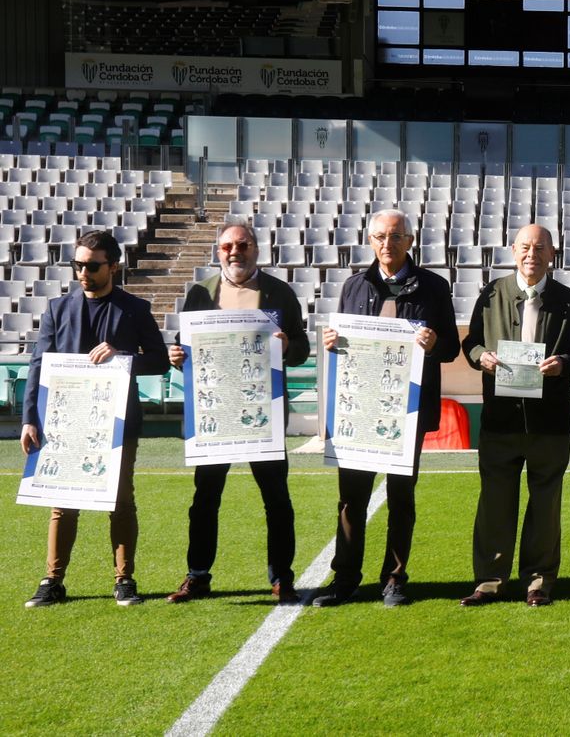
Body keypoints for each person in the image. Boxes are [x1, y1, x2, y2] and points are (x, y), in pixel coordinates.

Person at [312, 209, 460, 608]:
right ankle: (345, 579)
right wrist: (331, 342)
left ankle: (394, 579)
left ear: (410, 241)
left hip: (406, 413)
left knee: (401, 497)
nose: (387, 244)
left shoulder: (433, 286)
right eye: (379, 236)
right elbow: (344, 347)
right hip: (358, 410)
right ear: (370, 240)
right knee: (351, 498)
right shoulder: (354, 286)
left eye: (395, 236)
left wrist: (434, 343)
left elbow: (451, 348)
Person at [165, 221, 309, 605]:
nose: (235, 252)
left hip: (264, 412)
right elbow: (186, 348)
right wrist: (176, 356)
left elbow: (302, 346)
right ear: (218, 252)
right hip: (216, 413)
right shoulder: (200, 293)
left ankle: (282, 577)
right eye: (228, 245)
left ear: (256, 250)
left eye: (242, 245)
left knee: (277, 498)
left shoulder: (279, 292)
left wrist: (286, 346)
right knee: (205, 498)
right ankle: (197, 575)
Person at [22, 230, 167, 608]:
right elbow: (38, 365)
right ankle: (53, 581)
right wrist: (29, 419)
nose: (83, 272)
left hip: (118, 423)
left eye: (92, 265)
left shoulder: (134, 308)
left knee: (120, 502)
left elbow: (160, 360)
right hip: (64, 422)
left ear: (113, 266)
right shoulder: (57, 309)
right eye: (78, 265)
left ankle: (124, 579)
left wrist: (122, 357)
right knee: (62, 503)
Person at [459, 224, 570, 608]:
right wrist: (479, 356)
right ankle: (489, 580)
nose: (531, 254)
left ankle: (539, 580)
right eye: (524, 247)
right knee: (495, 502)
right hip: (501, 419)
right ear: (513, 251)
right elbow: (471, 342)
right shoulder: (492, 293)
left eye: (540, 247)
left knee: (545, 505)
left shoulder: (569, 301)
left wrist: (563, 363)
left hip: (549, 421)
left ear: (553, 254)